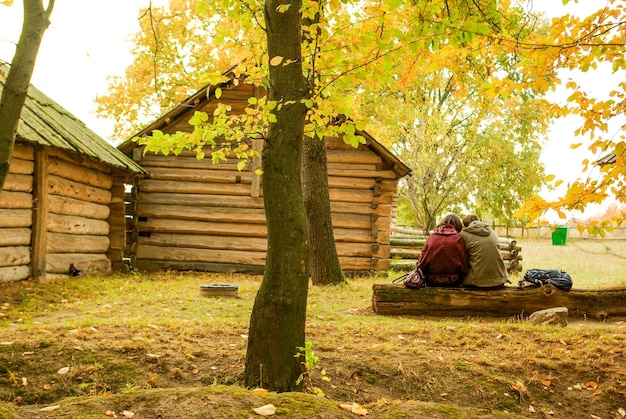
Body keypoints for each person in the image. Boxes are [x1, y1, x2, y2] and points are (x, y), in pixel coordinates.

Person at [416, 214, 469, 287]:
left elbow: (421, 262)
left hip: (431, 280)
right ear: (458, 226)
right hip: (454, 280)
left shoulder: (431, 238)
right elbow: (464, 265)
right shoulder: (459, 240)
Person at [459, 214, 509, 288]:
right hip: (500, 279)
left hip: (476, 282)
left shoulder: (463, 235)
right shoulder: (493, 233)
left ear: (465, 226)